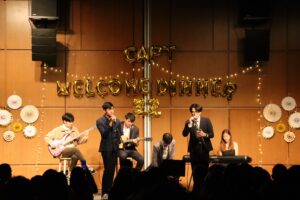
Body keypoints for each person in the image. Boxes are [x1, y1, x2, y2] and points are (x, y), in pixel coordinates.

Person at [182, 103, 214, 189]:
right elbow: (184, 134)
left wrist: (204, 134)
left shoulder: (206, 120)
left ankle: (205, 189)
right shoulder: (188, 122)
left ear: (200, 112)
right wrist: (189, 125)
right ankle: (196, 190)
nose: (193, 113)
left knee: (205, 171)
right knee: (195, 171)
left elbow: (212, 134)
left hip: (204, 149)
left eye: (195, 112)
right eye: (192, 112)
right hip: (194, 150)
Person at [96, 101, 122, 199]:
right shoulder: (100, 121)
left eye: (112, 109)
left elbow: (120, 133)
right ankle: (105, 192)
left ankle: (110, 191)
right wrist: (110, 123)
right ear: (105, 110)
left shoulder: (118, 121)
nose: (111, 111)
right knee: (108, 170)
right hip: (106, 148)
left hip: (115, 148)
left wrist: (121, 139)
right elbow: (104, 134)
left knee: (112, 170)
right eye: (109, 109)